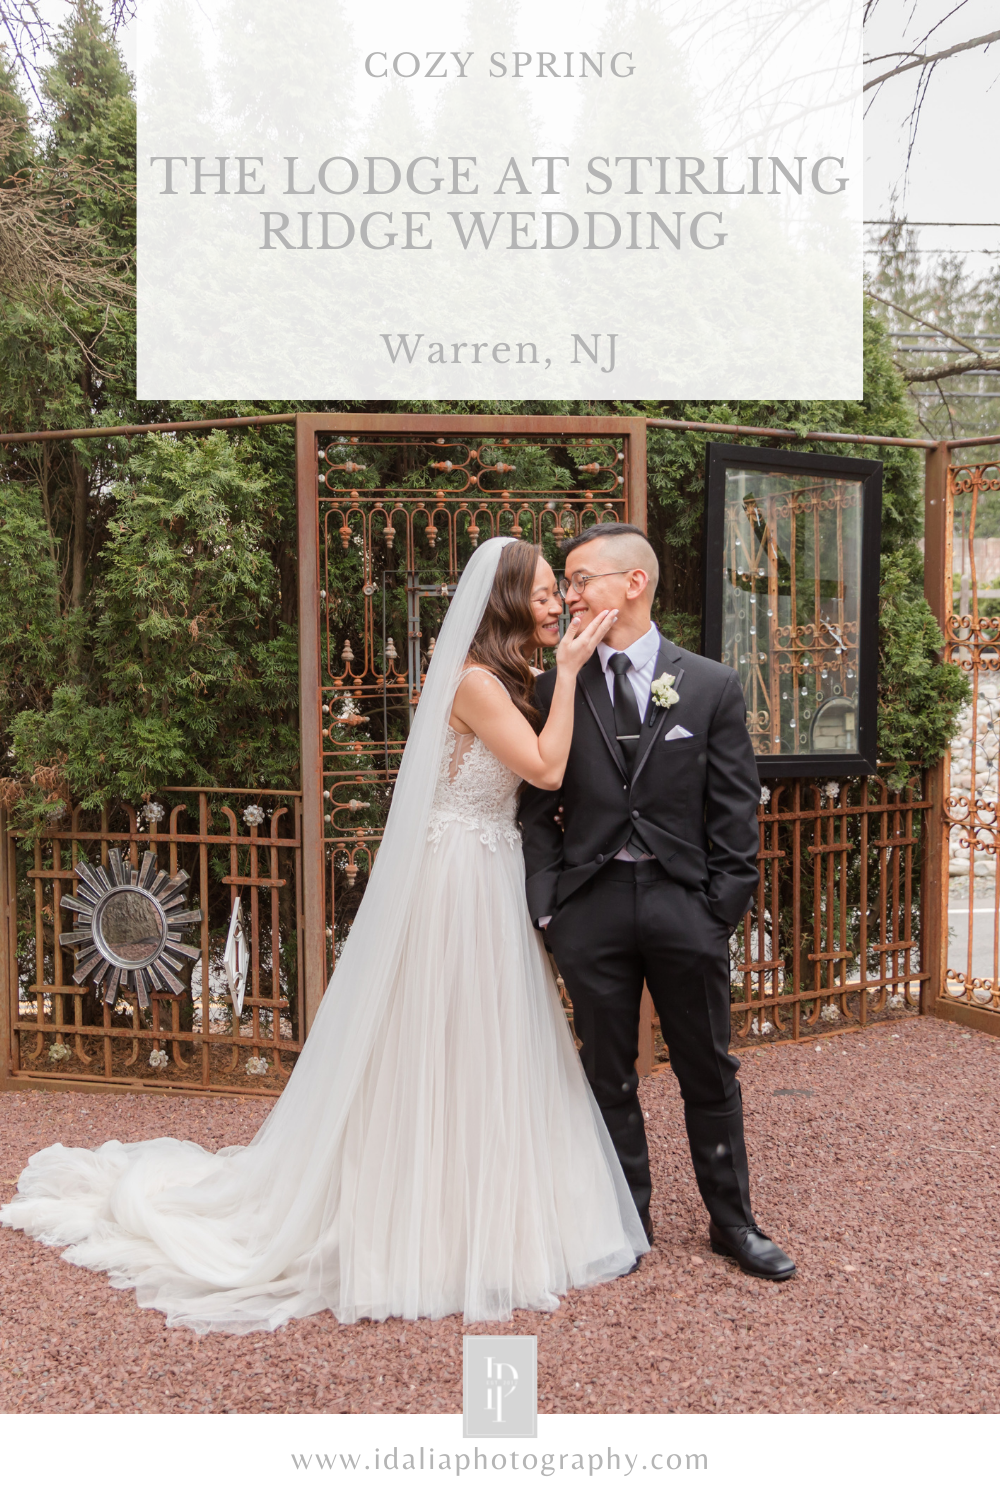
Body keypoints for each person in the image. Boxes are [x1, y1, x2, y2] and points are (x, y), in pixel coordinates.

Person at [1, 537, 647, 1332]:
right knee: (443, 1039)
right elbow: (546, 770)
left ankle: (480, 1203)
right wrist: (578, 671)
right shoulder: (477, 683)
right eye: (547, 592)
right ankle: (417, 1219)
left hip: (488, 868)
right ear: (509, 601)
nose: (558, 605)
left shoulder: (509, 677)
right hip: (457, 879)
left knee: (483, 1040)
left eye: (561, 593)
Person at [519, 523, 795, 1281]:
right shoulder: (554, 685)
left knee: (709, 1070)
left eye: (580, 580)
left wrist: (720, 911)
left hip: (685, 908)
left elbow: (735, 810)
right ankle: (624, 1222)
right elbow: (536, 814)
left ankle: (733, 1224)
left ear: (632, 583)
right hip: (590, 907)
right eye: (566, 584)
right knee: (605, 1073)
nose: (569, 596)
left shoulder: (709, 684)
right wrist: (551, 910)